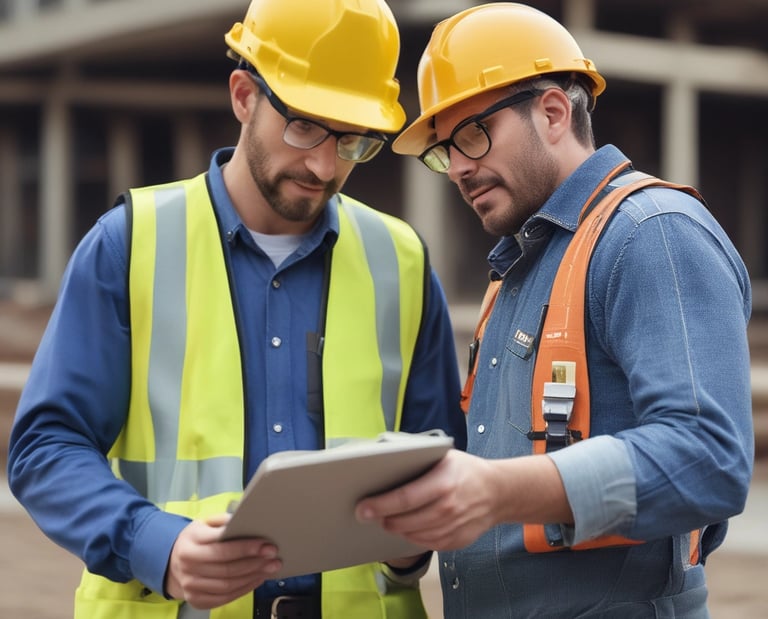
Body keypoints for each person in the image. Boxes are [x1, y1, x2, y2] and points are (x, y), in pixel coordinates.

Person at [7, 0, 467, 617]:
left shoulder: (401, 260)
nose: (324, 165)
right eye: (305, 126)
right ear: (244, 94)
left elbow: (439, 464)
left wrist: (412, 545)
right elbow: (46, 447)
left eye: (354, 140)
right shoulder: (129, 243)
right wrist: (158, 545)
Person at [355, 3, 754, 617]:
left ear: (552, 112)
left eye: (471, 134)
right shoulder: (518, 267)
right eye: (444, 150)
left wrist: (494, 491)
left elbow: (709, 457)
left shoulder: (652, 235)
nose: (458, 166)